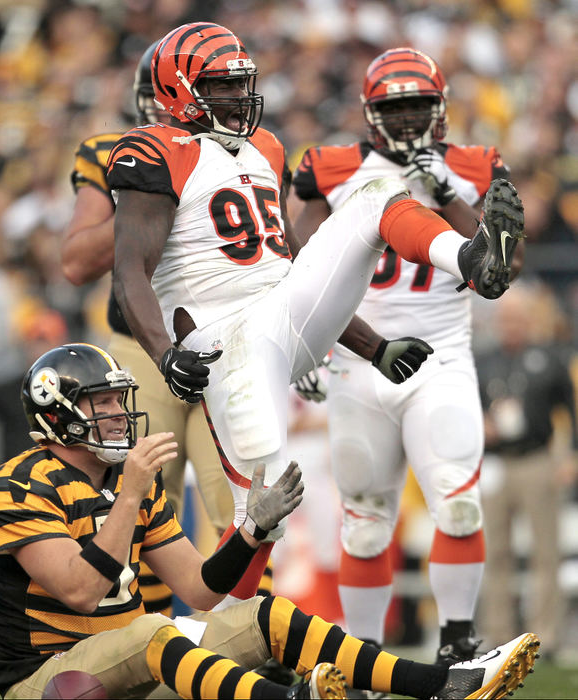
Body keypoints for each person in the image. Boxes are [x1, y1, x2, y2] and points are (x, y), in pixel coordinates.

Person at [106, 22, 525, 608]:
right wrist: (164, 355)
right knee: (265, 512)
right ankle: (217, 635)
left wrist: (372, 345)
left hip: (285, 313)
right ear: (179, 91)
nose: (238, 98)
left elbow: (291, 265)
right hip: (226, 344)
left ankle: (471, 257)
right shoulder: (152, 151)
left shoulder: (268, 148)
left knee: (377, 193)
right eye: (220, 87)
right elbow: (128, 271)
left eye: (240, 84)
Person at [0, 342, 540, 700]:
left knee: (263, 617)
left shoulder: (124, 483)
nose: (119, 413)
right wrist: (129, 497)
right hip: (48, 683)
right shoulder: (16, 485)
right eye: (101, 404)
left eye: (118, 400)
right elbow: (78, 590)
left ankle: (443, 684)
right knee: (151, 630)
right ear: (58, 415)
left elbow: (198, 588)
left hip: (125, 668)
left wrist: (250, 535)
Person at [291, 46, 525, 664]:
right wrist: (312, 347)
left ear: (441, 107)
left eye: (418, 104)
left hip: (442, 354)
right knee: (364, 520)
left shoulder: (474, 167)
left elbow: (506, 266)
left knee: (458, 497)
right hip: (357, 358)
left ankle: (457, 644)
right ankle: (362, 659)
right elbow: (300, 263)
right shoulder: (332, 167)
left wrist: (447, 190)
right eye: (394, 107)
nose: (406, 118)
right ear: (369, 112)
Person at [61, 41, 234, 617]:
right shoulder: (118, 153)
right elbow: (77, 261)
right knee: (141, 503)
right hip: (139, 349)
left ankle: (250, 643)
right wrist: (148, 196)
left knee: (240, 505)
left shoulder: (242, 150)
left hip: (226, 345)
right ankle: (156, 646)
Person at [476, 281, 577, 660]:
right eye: (506, 318)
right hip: (496, 464)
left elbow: (569, 407)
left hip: (536, 460)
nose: (512, 324)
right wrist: (480, 424)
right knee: (494, 552)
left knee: (544, 551)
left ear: (529, 320)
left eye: (518, 317)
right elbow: (465, 409)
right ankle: (498, 633)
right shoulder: (483, 360)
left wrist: (571, 456)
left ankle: (544, 635)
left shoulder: (549, 357)